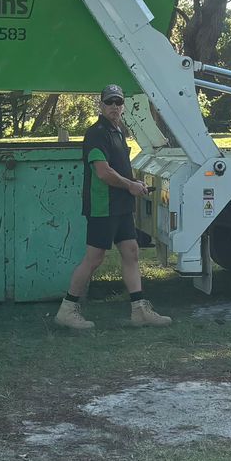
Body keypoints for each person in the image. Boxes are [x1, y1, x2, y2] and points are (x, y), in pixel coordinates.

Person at [55, 85, 173, 330]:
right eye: (110, 103)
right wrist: (130, 185)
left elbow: (117, 167)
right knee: (94, 259)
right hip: (102, 206)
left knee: (131, 252)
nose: (115, 107)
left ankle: (138, 309)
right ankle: (67, 309)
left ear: (123, 106)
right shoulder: (96, 133)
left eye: (118, 103)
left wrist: (133, 184)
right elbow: (103, 172)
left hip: (119, 206)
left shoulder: (118, 130)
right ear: (101, 106)